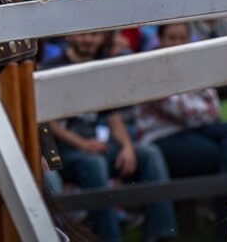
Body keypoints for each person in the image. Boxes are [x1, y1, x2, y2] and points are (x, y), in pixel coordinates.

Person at [43, 31, 177, 242]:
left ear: (102, 38)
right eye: (83, 35)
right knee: (94, 164)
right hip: (65, 152)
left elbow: (112, 116)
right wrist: (83, 144)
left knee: (149, 154)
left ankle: (162, 235)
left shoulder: (101, 67)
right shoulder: (51, 68)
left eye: (94, 35)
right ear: (71, 36)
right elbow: (47, 122)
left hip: (98, 146)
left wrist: (127, 147)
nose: (88, 39)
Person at [134, 21, 227, 184]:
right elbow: (181, 111)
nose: (177, 43)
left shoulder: (194, 63)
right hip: (162, 136)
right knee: (218, 153)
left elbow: (214, 107)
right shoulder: (151, 69)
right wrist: (198, 106)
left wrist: (193, 106)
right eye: (171, 38)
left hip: (194, 129)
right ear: (159, 39)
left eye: (182, 38)